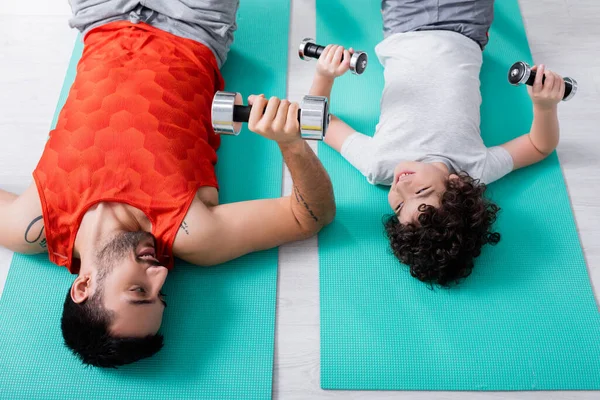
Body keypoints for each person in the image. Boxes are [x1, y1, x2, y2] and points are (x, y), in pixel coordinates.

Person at [0, 0, 335, 368]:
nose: (160, 274)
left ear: (83, 286)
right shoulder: (191, 234)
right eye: (162, 297)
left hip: (100, 17)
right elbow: (311, 216)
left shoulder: (31, 226)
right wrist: (291, 143)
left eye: (139, 291)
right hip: (192, 21)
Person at [309, 0, 565, 286]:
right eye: (420, 191)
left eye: (397, 206)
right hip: (466, 23)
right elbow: (539, 146)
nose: (401, 187)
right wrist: (544, 106)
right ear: (456, 186)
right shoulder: (474, 170)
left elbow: (314, 124)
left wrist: (324, 76)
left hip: (404, 22)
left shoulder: (377, 164)